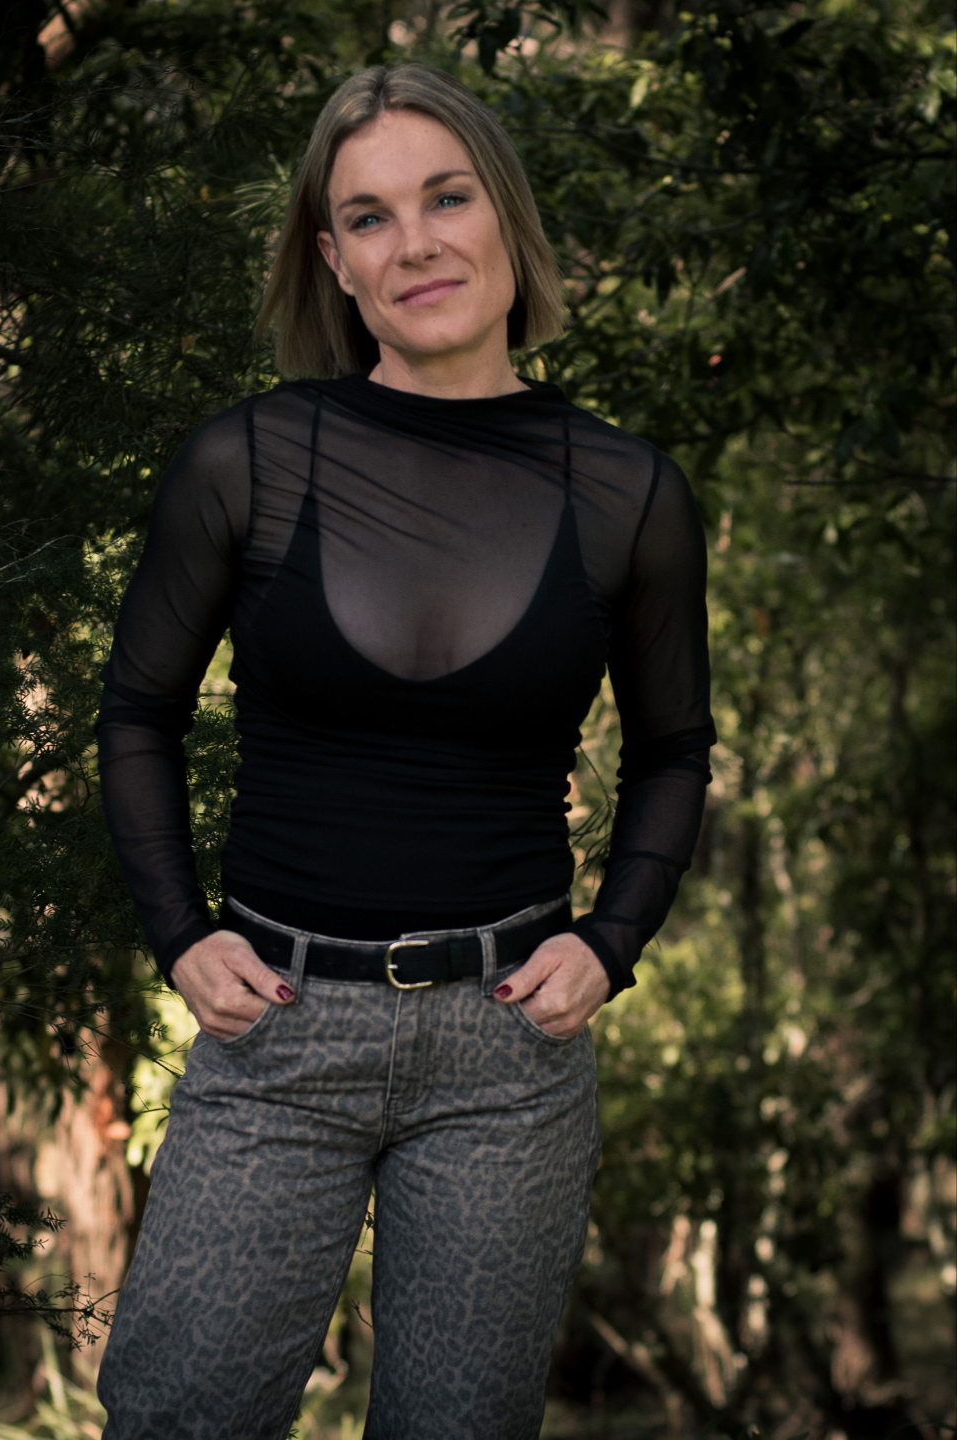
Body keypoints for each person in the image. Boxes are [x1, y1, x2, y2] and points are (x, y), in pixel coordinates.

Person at [93, 60, 717, 1440]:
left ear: (506, 217)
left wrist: (613, 940)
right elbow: (136, 712)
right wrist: (179, 933)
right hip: (275, 1034)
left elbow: (676, 748)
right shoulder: (247, 461)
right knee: (177, 1418)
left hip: (509, 1057)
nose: (416, 243)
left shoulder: (627, 491)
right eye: (369, 217)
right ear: (334, 261)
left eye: (447, 198)